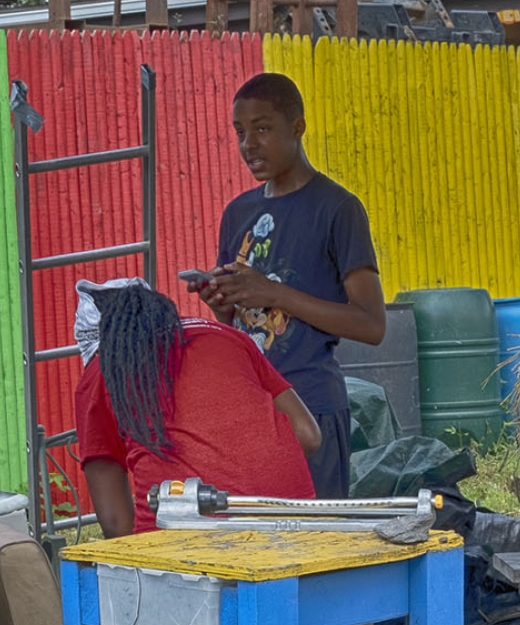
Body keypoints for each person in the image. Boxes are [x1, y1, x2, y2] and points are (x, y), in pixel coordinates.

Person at [190, 72, 386, 499]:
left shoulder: (338, 209)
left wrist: (276, 294)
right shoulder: (237, 213)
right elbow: (239, 325)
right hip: (247, 409)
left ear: (297, 127)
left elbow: (372, 325)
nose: (249, 145)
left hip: (312, 408)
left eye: (262, 129)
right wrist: (221, 303)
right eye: (240, 132)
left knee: (315, 551)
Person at [74, 279, 320, 538]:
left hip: (186, 542)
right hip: (294, 524)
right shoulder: (229, 337)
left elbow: (116, 523)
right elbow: (308, 435)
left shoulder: (102, 372)